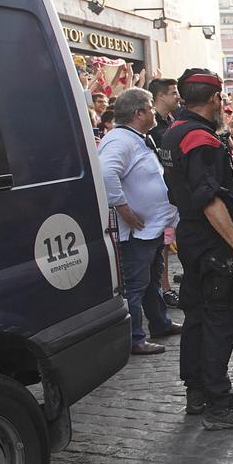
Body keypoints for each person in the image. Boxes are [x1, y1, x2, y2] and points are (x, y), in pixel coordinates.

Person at [160, 69, 233, 431]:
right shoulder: (199, 139)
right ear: (215, 99)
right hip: (210, 238)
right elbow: (209, 199)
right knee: (219, 319)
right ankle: (220, 403)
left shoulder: (174, 133)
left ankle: (197, 392)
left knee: (198, 316)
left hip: (191, 237)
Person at [98, 88, 181, 355]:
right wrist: (124, 209)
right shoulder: (119, 140)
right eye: (149, 106)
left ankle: (160, 322)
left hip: (152, 227)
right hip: (137, 231)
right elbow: (106, 173)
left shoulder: (135, 138)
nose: (153, 111)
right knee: (136, 284)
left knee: (151, 280)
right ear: (138, 113)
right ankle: (135, 337)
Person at [147, 77, 183, 307]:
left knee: (168, 241)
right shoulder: (152, 127)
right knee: (161, 243)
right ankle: (163, 287)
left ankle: (166, 284)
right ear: (160, 96)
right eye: (173, 92)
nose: (177, 96)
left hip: (173, 197)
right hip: (159, 198)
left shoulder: (172, 120)